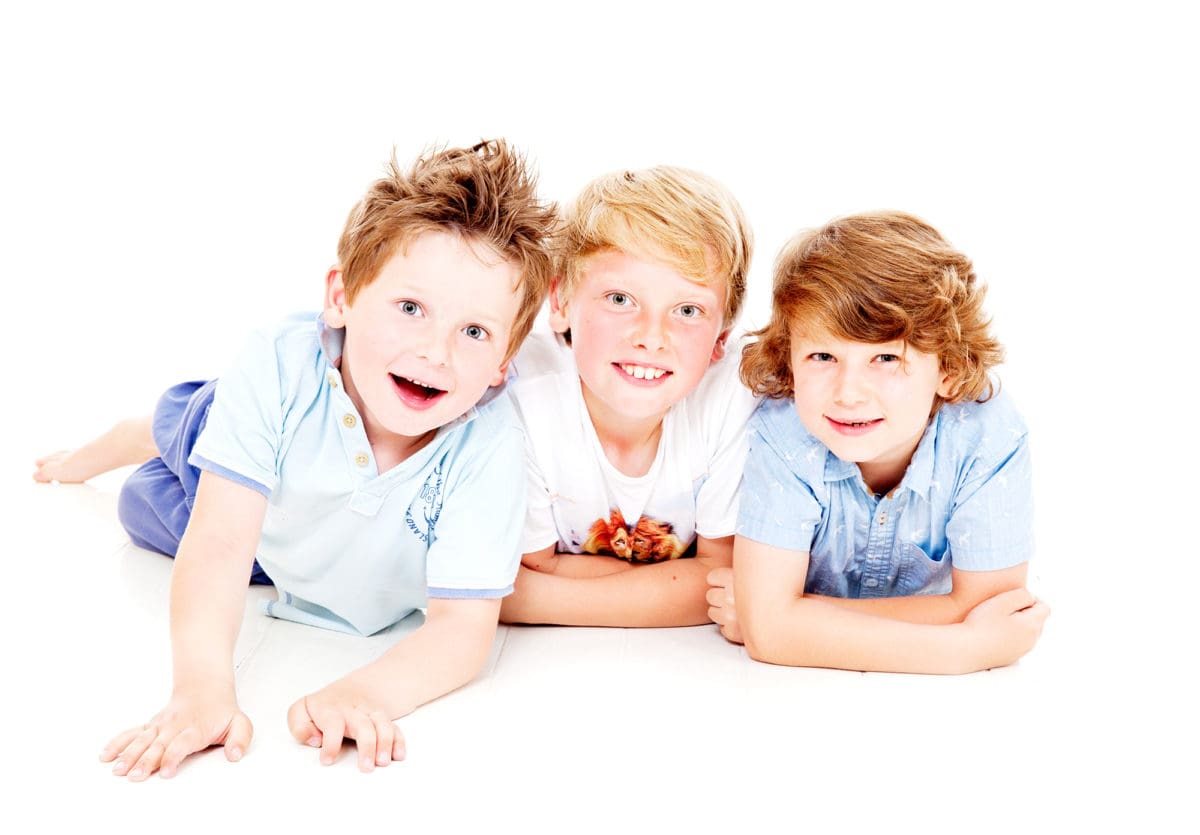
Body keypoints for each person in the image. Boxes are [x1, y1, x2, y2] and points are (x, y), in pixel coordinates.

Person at [34, 140, 557, 777]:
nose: (436, 352)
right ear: (341, 298)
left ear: (505, 361)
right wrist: (202, 688)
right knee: (183, 431)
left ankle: (151, 465)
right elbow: (220, 542)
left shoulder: (491, 444)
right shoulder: (278, 364)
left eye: (474, 331)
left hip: (288, 547)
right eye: (410, 308)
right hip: (251, 486)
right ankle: (132, 434)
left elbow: (462, 628)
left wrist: (366, 693)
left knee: (138, 509)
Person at [706, 211, 1049, 673]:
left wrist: (793, 617)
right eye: (823, 356)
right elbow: (768, 634)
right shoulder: (785, 432)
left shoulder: (986, 435)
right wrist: (959, 649)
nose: (848, 393)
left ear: (948, 367)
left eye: (886, 358)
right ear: (789, 362)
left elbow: (993, 609)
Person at [500, 166, 758, 627]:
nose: (651, 338)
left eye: (687, 310)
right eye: (620, 299)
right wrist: (683, 588)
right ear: (559, 304)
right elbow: (529, 565)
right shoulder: (524, 397)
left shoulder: (731, 398)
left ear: (722, 337)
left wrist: (528, 601)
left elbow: (724, 575)